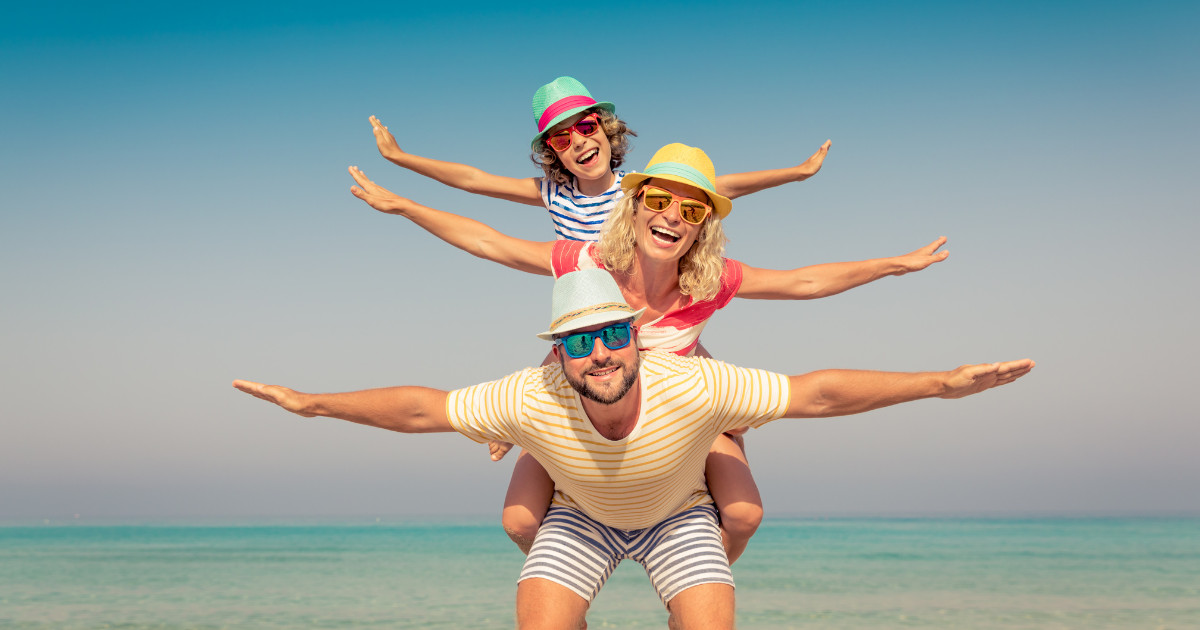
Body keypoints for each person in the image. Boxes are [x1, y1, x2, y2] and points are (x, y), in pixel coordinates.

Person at [232, 268, 1035, 630]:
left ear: (636, 339)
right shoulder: (533, 394)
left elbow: (814, 392)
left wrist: (940, 383)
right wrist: (312, 405)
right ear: (560, 354)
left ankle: (687, 574)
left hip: (679, 517)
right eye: (580, 342)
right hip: (582, 519)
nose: (601, 354)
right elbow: (421, 410)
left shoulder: (692, 387)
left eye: (614, 333)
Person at [347, 142, 950, 562]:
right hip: (587, 404)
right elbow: (487, 242)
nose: (671, 218)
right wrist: (404, 206)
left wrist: (895, 264)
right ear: (634, 205)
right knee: (518, 521)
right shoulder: (588, 264)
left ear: (703, 226)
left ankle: (707, 566)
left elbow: (807, 282)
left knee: (743, 516)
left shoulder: (709, 280)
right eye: (659, 202)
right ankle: (577, 550)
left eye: (691, 210)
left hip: (680, 410)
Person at [369, 76, 832, 241]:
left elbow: (722, 185)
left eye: (587, 129)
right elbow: (473, 179)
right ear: (553, 153)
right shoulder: (554, 194)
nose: (578, 144)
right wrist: (402, 159)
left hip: (647, 308)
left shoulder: (639, 191)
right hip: (587, 312)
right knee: (543, 388)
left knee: (730, 416)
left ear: (607, 132)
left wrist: (796, 173)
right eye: (561, 140)